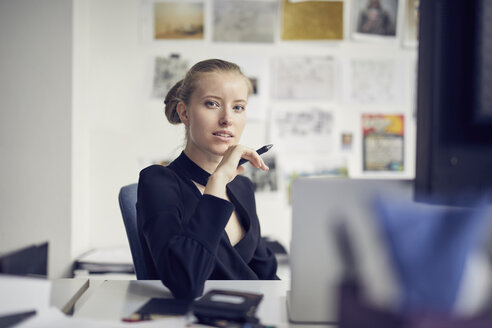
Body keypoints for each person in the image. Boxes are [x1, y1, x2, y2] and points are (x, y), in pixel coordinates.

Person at [136, 59, 278, 299]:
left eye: (238, 107)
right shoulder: (158, 182)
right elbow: (184, 283)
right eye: (212, 104)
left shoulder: (242, 186)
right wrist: (218, 180)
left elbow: (267, 275)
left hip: (246, 315)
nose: (227, 119)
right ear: (184, 112)